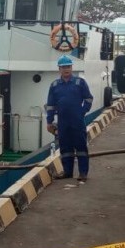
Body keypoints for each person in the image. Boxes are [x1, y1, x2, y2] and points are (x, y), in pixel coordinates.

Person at [45, 54, 94, 183]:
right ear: (59, 69)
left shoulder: (80, 82)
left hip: (77, 121)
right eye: (63, 67)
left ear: (72, 67)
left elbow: (88, 98)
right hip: (62, 121)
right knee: (65, 148)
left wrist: (82, 111)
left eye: (68, 66)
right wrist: (49, 122)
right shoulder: (54, 85)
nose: (66, 69)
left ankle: (83, 173)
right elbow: (50, 105)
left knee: (81, 147)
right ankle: (67, 172)